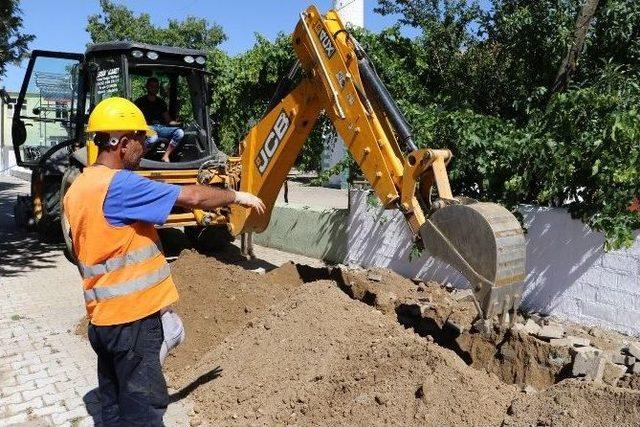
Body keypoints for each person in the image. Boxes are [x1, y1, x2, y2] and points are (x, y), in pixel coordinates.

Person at [63, 97, 265, 426]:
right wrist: (237, 196)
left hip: (101, 322)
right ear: (122, 143)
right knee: (144, 410)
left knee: (114, 408)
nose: (145, 147)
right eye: (141, 140)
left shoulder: (79, 188)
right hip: (133, 323)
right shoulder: (120, 185)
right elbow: (193, 197)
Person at [135, 77, 184, 162]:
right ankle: (140, 154)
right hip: (147, 127)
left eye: (156, 86)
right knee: (153, 138)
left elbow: (169, 120)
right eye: (152, 86)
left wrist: (177, 123)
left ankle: (166, 156)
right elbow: (135, 118)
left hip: (161, 128)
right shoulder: (140, 102)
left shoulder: (161, 102)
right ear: (147, 87)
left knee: (180, 132)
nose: (154, 88)